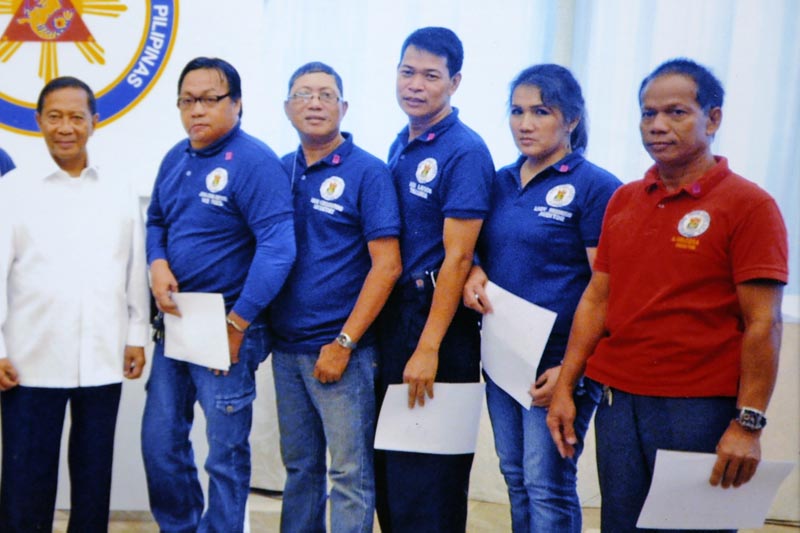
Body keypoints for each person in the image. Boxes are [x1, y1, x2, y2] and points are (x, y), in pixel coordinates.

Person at [547, 58, 788, 532]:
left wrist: (749, 422)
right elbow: (598, 298)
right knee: (622, 525)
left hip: (697, 409)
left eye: (676, 113)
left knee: (692, 530)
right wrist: (565, 387)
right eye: (647, 113)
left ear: (712, 119)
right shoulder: (625, 200)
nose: (657, 126)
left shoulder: (750, 205)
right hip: (618, 402)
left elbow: (764, 322)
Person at [463, 64, 621, 532]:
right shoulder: (500, 180)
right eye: (516, 111)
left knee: (548, 482)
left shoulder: (596, 187)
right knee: (515, 477)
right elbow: (485, 251)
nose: (525, 123)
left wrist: (574, 371)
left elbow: (607, 288)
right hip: (503, 356)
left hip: (559, 364)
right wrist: (474, 270)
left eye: (540, 111)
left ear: (571, 119)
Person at [141, 56, 296, 532]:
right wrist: (157, 261)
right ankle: (181, 526)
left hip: (229, 324)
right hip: (178, 321)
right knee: (161, 441)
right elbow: (157, 221)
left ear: (238, 103)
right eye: (188, 101)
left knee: (225, 455)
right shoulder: (176, 157)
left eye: (210, 99)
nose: (197, 111)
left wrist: (239, 323)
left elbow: (278, 249)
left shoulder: (254, 162)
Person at [0, 76, 148, 532]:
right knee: (27, 483)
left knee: (92, 480)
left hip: (102, 358)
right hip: (30, 362)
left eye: (76, 117)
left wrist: (137, 335)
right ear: (38, 121)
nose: (66, 127)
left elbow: (133, 267)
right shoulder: (13, 189)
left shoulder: (118, 187)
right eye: (55, 116)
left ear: (94, 122)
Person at [271, 61, 401, 533]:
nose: (315, 103)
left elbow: (387, 266)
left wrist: (344, 342)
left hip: (342, 352)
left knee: (349, 473)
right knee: (300, 469)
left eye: (326, 95)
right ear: (288, 108)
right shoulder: (278, 171)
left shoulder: (369, 172)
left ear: (344, 108)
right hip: (286, 350)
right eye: (303, 94)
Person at [376, 27, 495, 532]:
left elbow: (459, 257)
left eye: (430, 75)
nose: (415, 85)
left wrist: (428, 347)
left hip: (439, 328)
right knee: (393, 478)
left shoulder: (464, 150)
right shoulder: (400, 143)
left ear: (455, 82)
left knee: (430, 484)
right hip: (396, 319)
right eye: (407, 72)